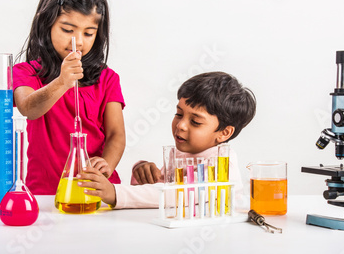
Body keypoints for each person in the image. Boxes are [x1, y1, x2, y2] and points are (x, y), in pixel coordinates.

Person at [13, 0, 125, 195]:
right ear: (46, 24)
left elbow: (116, 135)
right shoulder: (25, 73)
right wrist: (62, 82)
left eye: (89, 32)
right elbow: (29, 108)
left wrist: (107, 164)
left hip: (95, 193)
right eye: (67, 30)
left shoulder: (107, 78)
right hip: (46, 194)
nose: (79, 41)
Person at [77, 72, 256, 208]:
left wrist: (116, 193)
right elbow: (157, 195)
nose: (181, 125)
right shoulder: (181, 153)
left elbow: (177, 194)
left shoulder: (222, 164)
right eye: (178, 114)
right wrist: (142, 173)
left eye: (195, 121)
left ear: (224, 133)